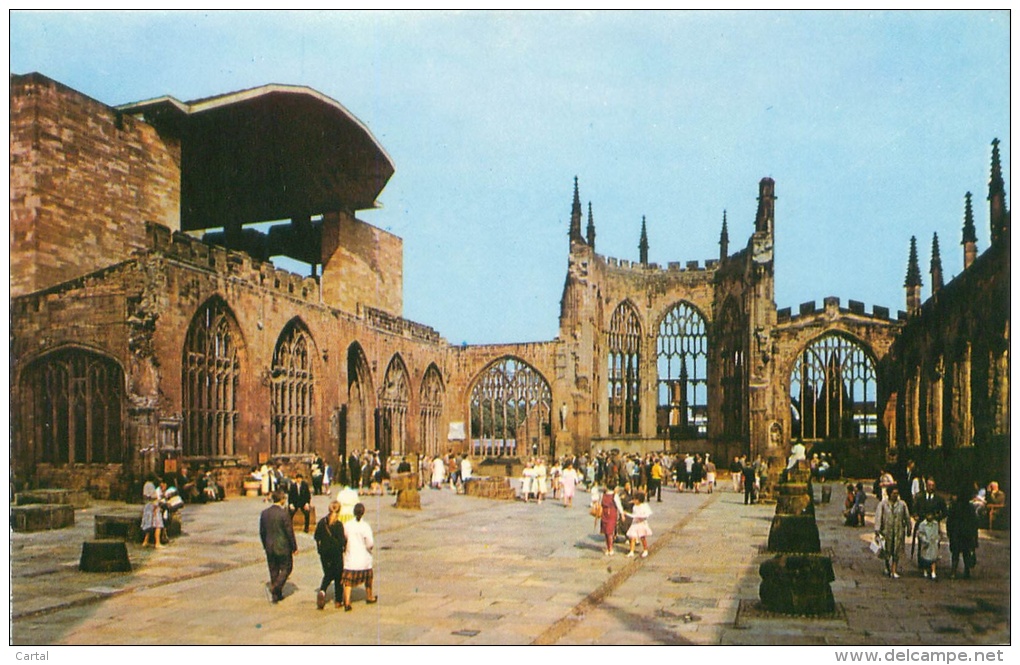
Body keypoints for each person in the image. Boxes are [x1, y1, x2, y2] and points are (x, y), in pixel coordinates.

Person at [260, 489, 297, 603]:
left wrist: (265, 544)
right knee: (287, 567)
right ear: (281, 500)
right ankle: (276, 587)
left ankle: (277, 595)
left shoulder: (265, 513)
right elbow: (289, 531)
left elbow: (262, 531)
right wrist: (294, 546)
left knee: (273, 569)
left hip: (269, 545)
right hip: (283, 546)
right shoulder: (284, 514)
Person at [342, 503, 377, 611]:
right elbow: (370, 543)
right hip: (363, 559)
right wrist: (369, 548)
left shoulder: (347, 525)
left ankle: (347, 602)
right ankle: (369, 596)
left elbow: (344, 538)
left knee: (348, 582)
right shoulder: (365, 526)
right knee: (368, 579)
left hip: (351, 558)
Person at [314, 500, 347, 609]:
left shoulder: (322, 522)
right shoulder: (338, 525)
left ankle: (322, 591)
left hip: (324, 553)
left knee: (328, 574)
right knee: (338, 577)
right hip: (336, 553)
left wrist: (319, 549)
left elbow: (316, 537)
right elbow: (342, 541)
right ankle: (338, 601)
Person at [874, 488, 911, 578]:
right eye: (893, 493)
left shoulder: (902, 504)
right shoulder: (883, 504)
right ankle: (887, 566)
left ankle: (894, 570)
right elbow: (878, 517)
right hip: (886, 531)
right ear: (889, 494)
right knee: (887, 550)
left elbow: (907, 517)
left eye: (897, 493)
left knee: (897, 551)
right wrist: (877, 530)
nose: (895, 495)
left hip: (898, 531)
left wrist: (909, 528)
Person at [947, 490, 979, 579]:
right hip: (967, 534)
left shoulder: (954, 507)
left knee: (955, 554)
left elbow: (949, 521)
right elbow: (975, 522)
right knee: (966, 553)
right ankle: (967, 571)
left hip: (956, 533)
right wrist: (974, 536)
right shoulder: (970, 507)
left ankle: (953, 572)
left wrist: (949, 533)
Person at [625, 491, 653, 558]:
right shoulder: (634, 507)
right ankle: (631, 551)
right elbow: (634, 515)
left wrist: (642, 516)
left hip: (641, 523)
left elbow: (647, 514)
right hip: (635, 523)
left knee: (642, 537)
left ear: (639, 500)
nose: (633, 500)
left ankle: (645, 550)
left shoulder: (644, 506)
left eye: (635, 499)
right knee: (633, 537)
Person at [140, 474, 164, 549]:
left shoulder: (145, 485)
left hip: (147, 506)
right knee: (158, 524)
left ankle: (145, 541)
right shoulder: (151, 485)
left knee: (149, 524)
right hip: (153, 506)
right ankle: (157, 543)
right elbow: (154, 496)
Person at [599, 483, 624, 556]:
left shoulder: (614, 496)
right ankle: (608, 547)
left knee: (609, 532)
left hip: (612, 514)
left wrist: (622, 514)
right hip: (604, 514)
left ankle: (611, 548)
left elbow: (619, 505)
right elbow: (599, 503)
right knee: (606, 532)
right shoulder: (602, 495)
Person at [915, 511, 941, 580]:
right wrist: (924, 540)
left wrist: (937, 539)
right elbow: (920, 533)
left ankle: (933, 572)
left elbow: (938, 533)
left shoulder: (935, 524)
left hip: (933, 543)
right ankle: (925, 570)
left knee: (933, 558)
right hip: (926, 543)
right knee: (925, 558)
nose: (930, 517)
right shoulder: (922, 524)